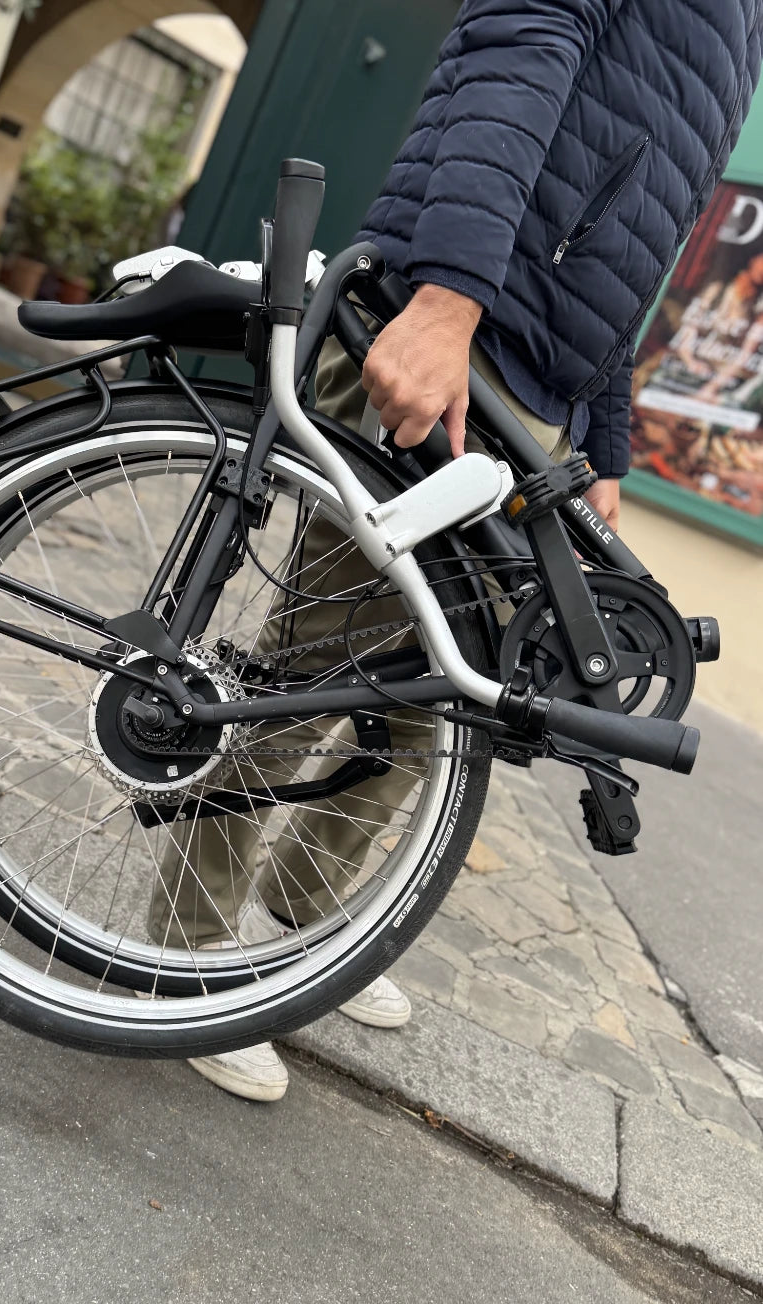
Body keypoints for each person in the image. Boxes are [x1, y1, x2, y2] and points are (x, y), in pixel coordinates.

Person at [152, 0, 763, 1101]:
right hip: (457, 339)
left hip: (535, 393)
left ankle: (300, 924)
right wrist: (447, 299)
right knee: (309, 672)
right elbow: (516, 40)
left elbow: (639, 236)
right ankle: (186, 954)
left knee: (447, 695)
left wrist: (606, 440)